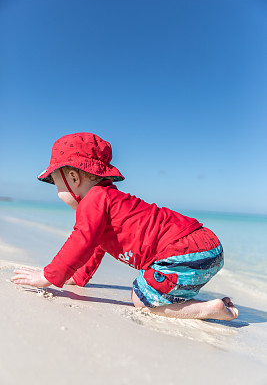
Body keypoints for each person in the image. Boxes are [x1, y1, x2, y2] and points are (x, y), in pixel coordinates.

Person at [12, 132, 238, 321]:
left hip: (184, 249)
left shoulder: (94, 199)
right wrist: (77, 277)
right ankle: (193, 300)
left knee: (141, 299)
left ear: (73, 177)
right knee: (155, 287)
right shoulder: (110, 199)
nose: (58, 192)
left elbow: (83, 240)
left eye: (56, 184)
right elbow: (97, 245)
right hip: (204, 246)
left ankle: (210, 309)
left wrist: (50, 276)